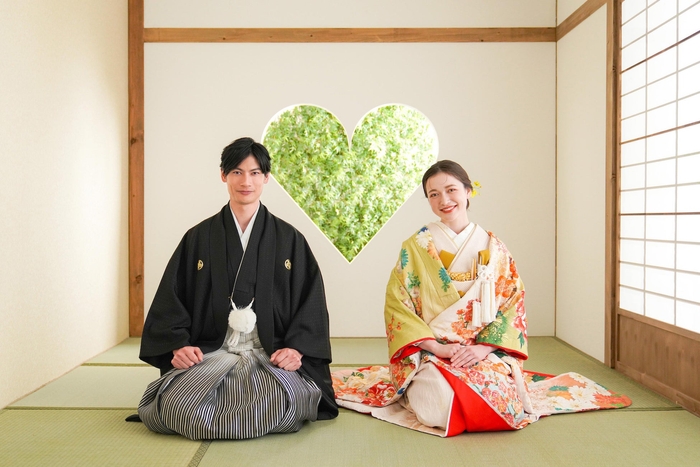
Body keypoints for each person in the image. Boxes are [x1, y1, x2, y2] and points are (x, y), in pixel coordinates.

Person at [332, 160, 630, 437]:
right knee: (436, 407)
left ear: (468, 191)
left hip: (481, 349)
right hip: (432, 352)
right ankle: (422, 389)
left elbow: (512, 302)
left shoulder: (494, 248)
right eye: (434, 194)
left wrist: (483, 348)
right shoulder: (415, 247)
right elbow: (399, 306)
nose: (444, 200)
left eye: (451, 190)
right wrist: (438, 348)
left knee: (506, 405)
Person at [136, 137, 338, 440]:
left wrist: (296, 349)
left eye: (255, 173)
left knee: (283, 401)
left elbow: (311, 302)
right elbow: (171, 298)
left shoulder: (289, 238)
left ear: (266, 177)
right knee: (176, 405)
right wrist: (178, 345)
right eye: (237, 172)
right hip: (212, 352)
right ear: (223, 175)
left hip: (268, 355)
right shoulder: (198, 237)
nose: (246, 182)